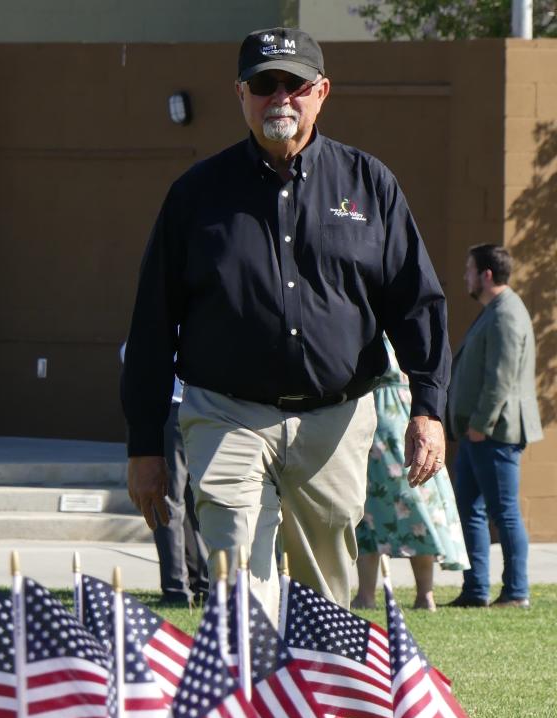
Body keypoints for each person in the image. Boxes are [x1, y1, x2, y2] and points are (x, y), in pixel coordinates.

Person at [121, 27, 451, 626]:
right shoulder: (196, 195)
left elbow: (416, 300)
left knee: (325, 589)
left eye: (294, 84)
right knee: (237, 571)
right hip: (226, 416)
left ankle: (309, 710)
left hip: (336, 419)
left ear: (321, 92)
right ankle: (251, 709)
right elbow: (151, 325)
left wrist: (428, 408)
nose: (280, 98)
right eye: (264, 84)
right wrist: (145, 444)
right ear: (240, 94)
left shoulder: (368, 184)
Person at [446, 244, 541, 609]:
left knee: (504, 513)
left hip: (494, 433)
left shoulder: (506, 314)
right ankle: (475, 590)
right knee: (470, 510)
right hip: (478, 432)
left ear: (487, 274)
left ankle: (516, 591)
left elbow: (500, 378)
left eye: (469, 270)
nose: (465, 277)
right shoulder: (495, 311)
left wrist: (481, 425)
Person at [352, 337, 469, 612]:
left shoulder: (369, 325)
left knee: (370, 509)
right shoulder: (412, 330)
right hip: (415, 412)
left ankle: (367, 595)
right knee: (418, 504)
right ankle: (423, 595)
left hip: (379, 415)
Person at [120, 343, 208, 606]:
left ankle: (177, 589)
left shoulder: (169, 320)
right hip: (203, 413)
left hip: (173, 410)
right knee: (193, 502)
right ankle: (202, 582)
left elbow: (129, 353)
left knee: (168, 501)